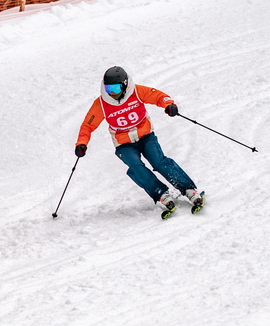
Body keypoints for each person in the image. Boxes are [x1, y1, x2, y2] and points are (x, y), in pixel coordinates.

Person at [74, 66, 205, 218]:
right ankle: (160, 193)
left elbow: (158, 96)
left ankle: (188, 189)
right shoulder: (102, 103)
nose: (112, 92)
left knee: (159, 161)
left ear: (124, 84)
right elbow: (88, 125)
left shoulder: (136, 92)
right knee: (136, 167)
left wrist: (169, 105)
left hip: (146, 135)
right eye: (108, 88)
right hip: (123, 143)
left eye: (115, 87)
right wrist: (81, 143)